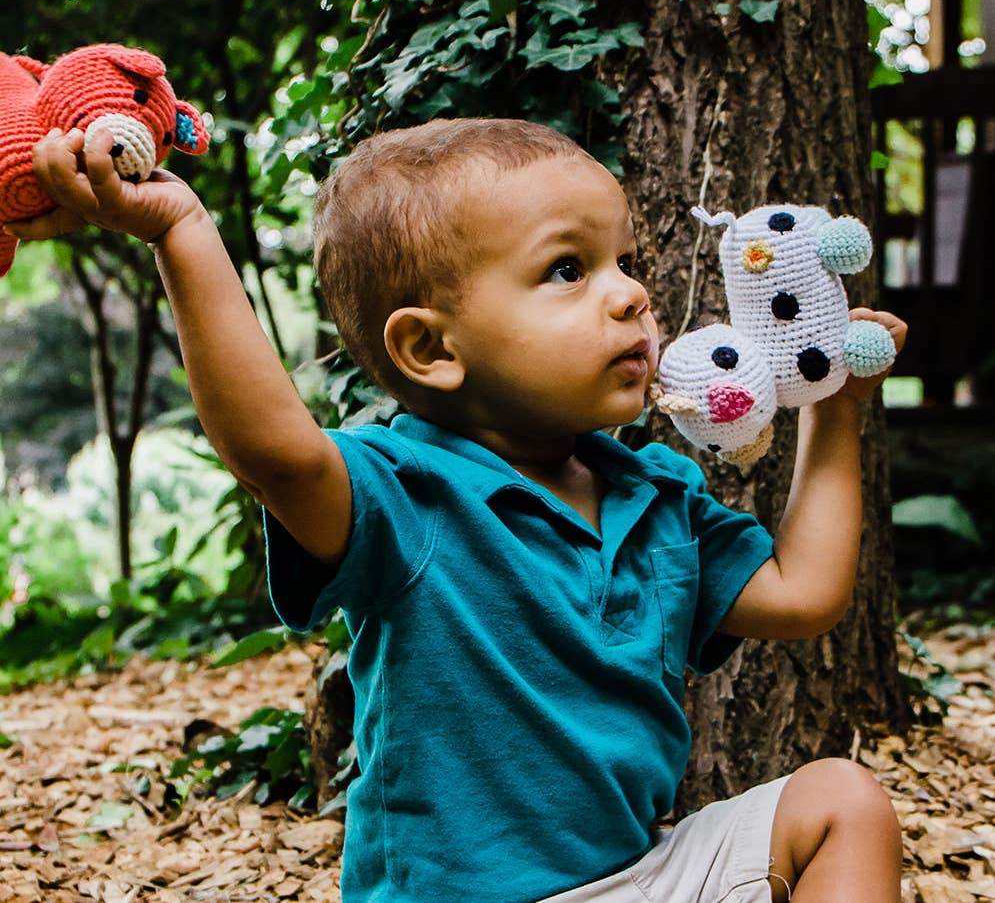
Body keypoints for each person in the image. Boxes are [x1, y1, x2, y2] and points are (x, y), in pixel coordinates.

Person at [6, 118, 908, 903]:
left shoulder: (654, 496)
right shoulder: (405, 491)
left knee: (842, 803)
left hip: (640, 874)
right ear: (431, 348)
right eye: (568, 268)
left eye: (625, 262)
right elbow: (275, 450)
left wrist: (834, 405)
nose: (632, 291)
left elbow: (803, 592)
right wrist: (182, 230)